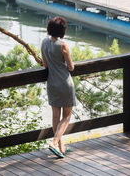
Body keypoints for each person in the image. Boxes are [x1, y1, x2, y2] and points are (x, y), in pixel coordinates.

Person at [41, 16, 76, 158]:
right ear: (63, 30)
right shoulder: (63, 45)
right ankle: (54, 142)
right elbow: (71, 67)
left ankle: (61, 147)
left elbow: (45, 64)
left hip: (52, 83)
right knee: (67, 116)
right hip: (65, 83)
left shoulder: (43, 42)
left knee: (56, 116)